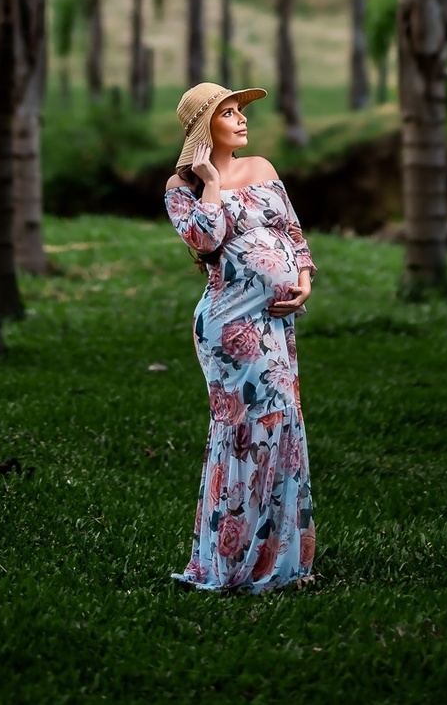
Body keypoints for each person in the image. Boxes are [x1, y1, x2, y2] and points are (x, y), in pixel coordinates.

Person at [164, 80, 317, 592]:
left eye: (239, 110)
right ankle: (232, 561)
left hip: (276, 320)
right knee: (245, 432)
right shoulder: (180, 187)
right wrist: (209, 181)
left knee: (283, 428)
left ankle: (280, 561)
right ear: (204, 129)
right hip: (230, 327)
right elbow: (205, 241)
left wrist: (303, 281)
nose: (241, 118)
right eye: (227, 113)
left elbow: (292, 233)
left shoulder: (265, 169)